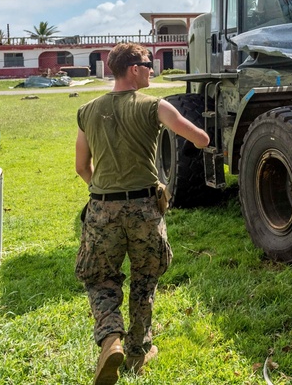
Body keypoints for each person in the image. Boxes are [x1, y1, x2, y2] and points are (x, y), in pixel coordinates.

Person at [74, 43, 209, 385]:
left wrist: (106, 195)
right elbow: (202, 139)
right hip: (145, 209)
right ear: (133, 69)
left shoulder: (87, 111)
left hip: (102, 207)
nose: (152, 69)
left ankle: (110, 338)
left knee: (99, 279)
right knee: (144, 281)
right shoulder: (155, 106)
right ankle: (137, 354)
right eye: (149, 64)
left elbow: (81, 166)